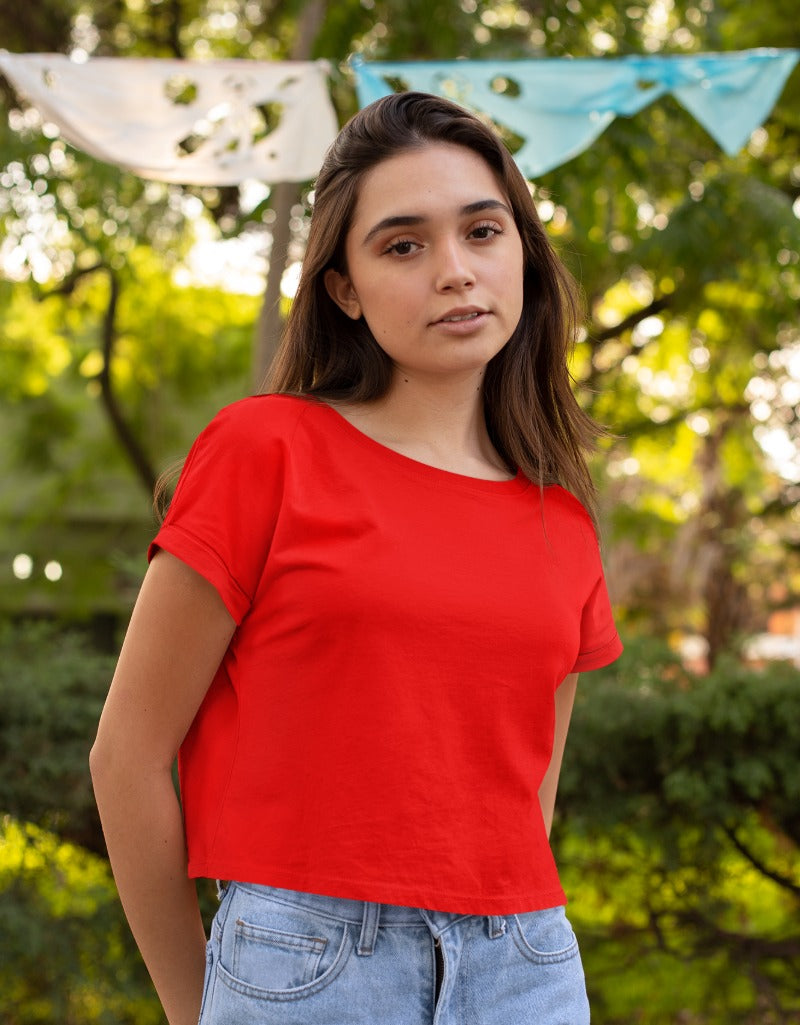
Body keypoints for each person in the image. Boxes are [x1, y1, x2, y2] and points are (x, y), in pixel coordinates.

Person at [90, 91, 622, 1025]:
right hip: (307, 966)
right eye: (403, 244)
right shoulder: (265, 453)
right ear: (344, 287)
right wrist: (194, 1008)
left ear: (523, 257)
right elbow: (126, 757)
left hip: (528, 963)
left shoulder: (561, 516)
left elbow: (526, 801)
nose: (455, 271)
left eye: (483, 232)